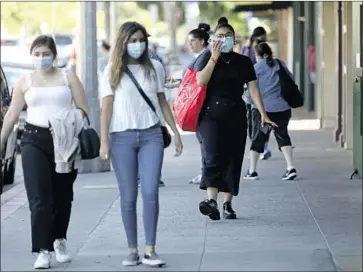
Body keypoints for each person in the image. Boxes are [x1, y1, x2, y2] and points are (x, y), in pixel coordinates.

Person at [0, 35, 89, 269]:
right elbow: (11, 114)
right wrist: (1, 140)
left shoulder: (67, 77)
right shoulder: (25, 80)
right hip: (33, 140)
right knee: (39, 198)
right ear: (32, 56)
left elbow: (83, 108)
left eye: (46, 54)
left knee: (62, 196)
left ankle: (59, 239)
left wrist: (69, 121)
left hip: (64, 141)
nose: (41, 58)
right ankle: (42, 249)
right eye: (37, 54)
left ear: (54, 56)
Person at [99, 21, 183, 267]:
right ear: (123, 42)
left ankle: (150, 250)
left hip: (151, 136)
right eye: (132, 40)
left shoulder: (154, 67)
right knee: (128, 196)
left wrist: (175, 132)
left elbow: (162, 101)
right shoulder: (111, 70)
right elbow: (106, 108)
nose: (138, 44)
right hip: (121, 137)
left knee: (150, 191)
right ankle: (132, 250)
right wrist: (104, 141)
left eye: (141, 39)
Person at [194, 17, 275, 221]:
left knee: (233, 158)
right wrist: (213, 57)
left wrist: (263, 113)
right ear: (213, 39)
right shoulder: (206, 57)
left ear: (235, 39)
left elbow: (253, 88)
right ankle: (211, 200)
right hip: (210, 114)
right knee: (212, 154)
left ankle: (227, 204)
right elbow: (201, 80)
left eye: (228, 36)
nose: (224, 40)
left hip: (236, 113)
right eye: (220, 36)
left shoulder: (243, 61)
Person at [244, 42, 297, 181]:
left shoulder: (255, 68)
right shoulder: (280, 64)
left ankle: (252, 171)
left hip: (264, 112)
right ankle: (290, 167)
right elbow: (290, 80)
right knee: (283, 136)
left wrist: (248, 103)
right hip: (282, 109)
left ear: (257, 55)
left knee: (258, 138)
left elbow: (251, 92)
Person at [241, 26, 272, 160]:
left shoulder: (255, 48)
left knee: (259, 120)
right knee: (256, 120)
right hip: (255, 89)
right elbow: (243, 64)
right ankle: (258, 147)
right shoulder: (251, 48)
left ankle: (260, 147)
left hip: (257, 91)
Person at [186, 22, 211, 185]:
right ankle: (205, 172)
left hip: (202, 106)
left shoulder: (204, 57)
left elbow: (198, 81)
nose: (190, 44)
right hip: (200, 105)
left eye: (193, 41)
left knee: (205, 142)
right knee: (203, 141)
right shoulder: (202, 57)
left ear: (201, 41)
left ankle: (207, 173)